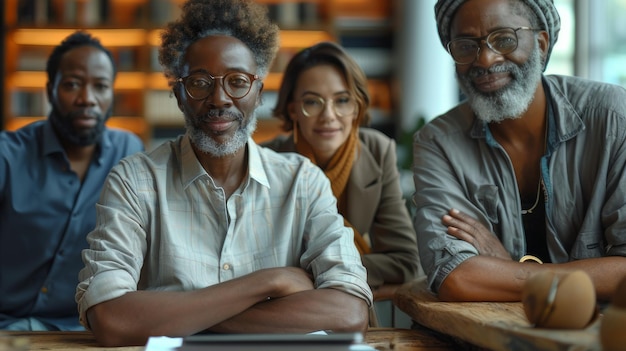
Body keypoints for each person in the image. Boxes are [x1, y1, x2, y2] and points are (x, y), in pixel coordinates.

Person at [75, 0, 372, 346]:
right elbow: (110, 318)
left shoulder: (303, 182)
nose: (220, 98)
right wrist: (270, 283)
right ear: (179, 95)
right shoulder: (135, 181)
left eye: (237, 81)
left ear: (258, 92)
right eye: (200, 83)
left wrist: (179, 316)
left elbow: (349, 313)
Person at [413, 0, 626, 303]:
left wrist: (509, 270)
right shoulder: (439, 142)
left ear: (541, 43)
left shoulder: (613, 118)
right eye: (465, 45)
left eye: (504, 39)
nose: (485, 59)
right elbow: (455, 277)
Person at [0, 31, 144, 331]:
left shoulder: (129, 151)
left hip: (82, 330)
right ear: (50, 89)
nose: (86, 99)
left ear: (111, 94)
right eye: (72, 85)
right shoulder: (7, 155)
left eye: (100, 86)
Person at [264, 41, 422, 294]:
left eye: (342, 100)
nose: (329, 115)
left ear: (357, 107)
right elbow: (260, 265)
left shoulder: (378, 151)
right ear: (293, 109)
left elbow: (404, 261)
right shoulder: (267, 162)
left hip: (342, 301)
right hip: (282, 307)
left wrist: (318, 271)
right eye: (312, 102)